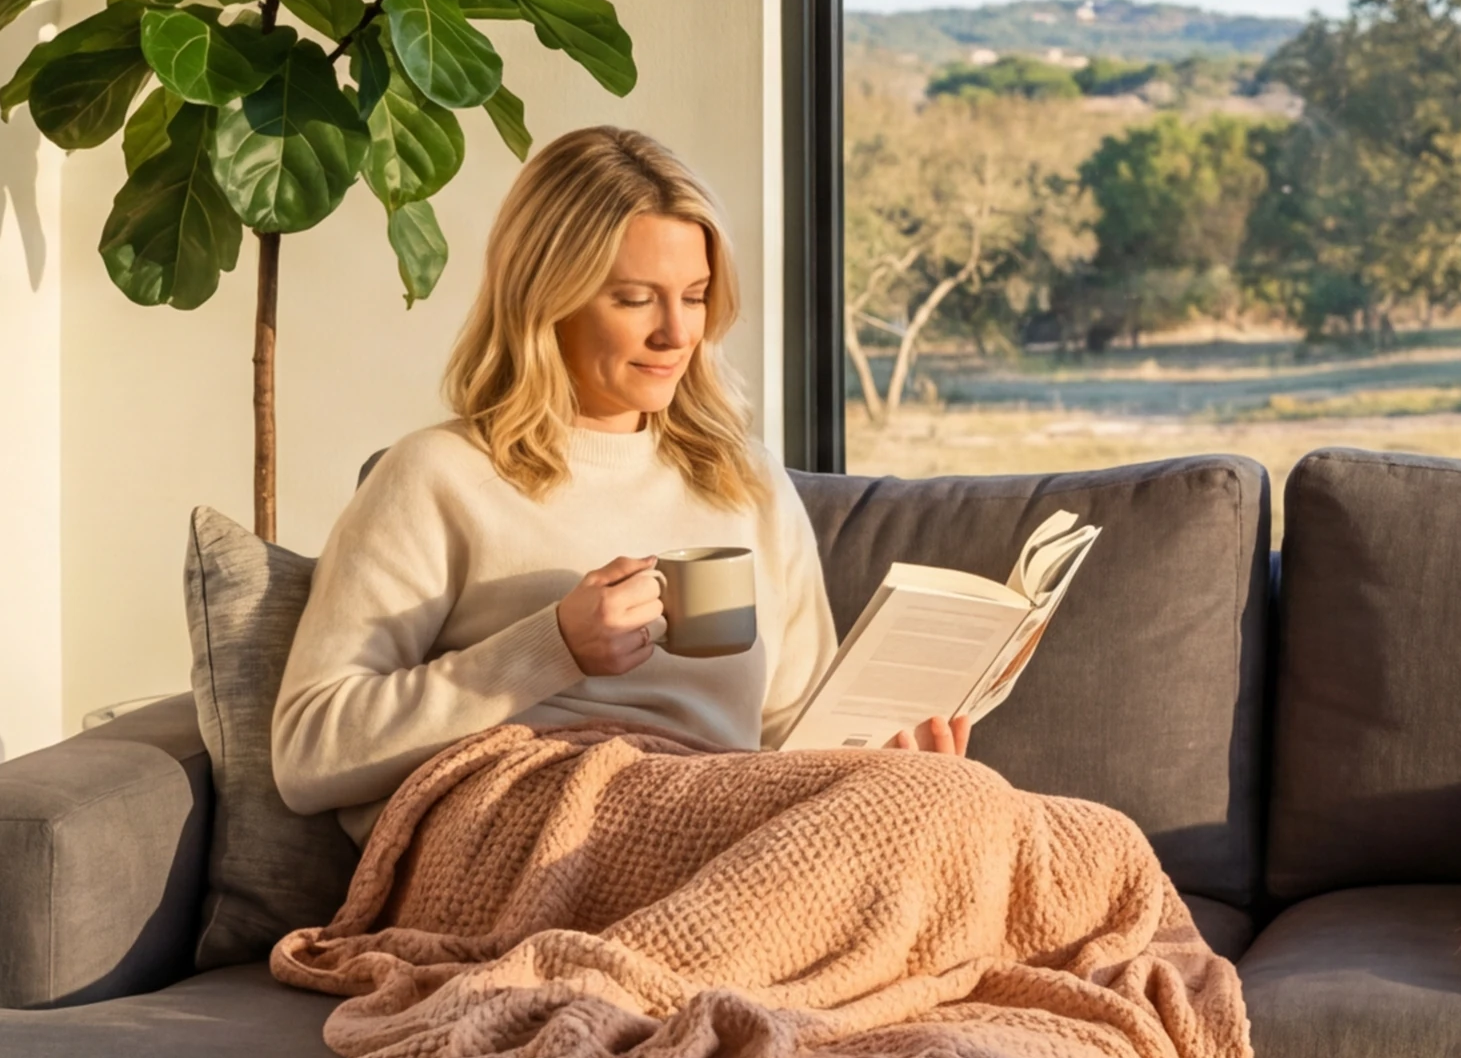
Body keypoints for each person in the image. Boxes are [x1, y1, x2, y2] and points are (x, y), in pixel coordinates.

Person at [274, 124, 960, 821]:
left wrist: (891, 769)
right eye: (635, 299)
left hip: (724, 824)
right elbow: (307, 753)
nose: (676, 333)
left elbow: (793, 741)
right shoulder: (438, 476)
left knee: (985, 812)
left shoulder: (742, 480)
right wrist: (551, 647)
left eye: (694, 296)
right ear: (547, 300)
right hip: (535, 824)